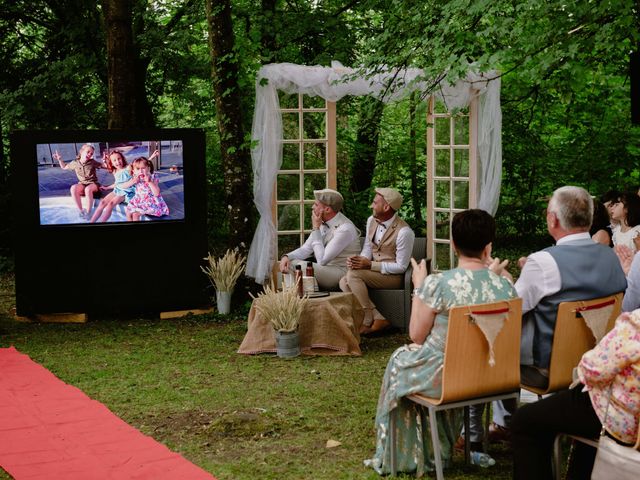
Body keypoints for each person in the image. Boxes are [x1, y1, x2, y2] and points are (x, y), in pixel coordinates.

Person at [363, 209, 516, 476]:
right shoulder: (506, 285)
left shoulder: (438, 283)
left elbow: (417, 335)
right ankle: (444, 444)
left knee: (399, 358)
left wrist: (420, 288)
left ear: (454, 244)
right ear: (489, 246)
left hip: (449, 378)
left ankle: (409, 452)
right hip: (494, 376)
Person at [489, 186, 627, 437]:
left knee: (497, 343)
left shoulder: (543, 262)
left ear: (552, 219)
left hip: (547, 368)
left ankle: (503, 423)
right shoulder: (611, 257)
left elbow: (510, 309)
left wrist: (504, 281)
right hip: (598, 361)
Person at [512, 308, 640, 480]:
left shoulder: (635, 324)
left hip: (621, 420)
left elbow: (593, 371)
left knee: (525, 420)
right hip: (623, 417)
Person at [339, 187, 415, 334]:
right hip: (374, 272)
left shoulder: (405, 232)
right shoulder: (371, 221)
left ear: (386, 207)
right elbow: (368, 248)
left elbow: (401, 266)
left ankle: (367, 318)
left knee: (353, 276)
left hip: (394, 277)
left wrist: (369, 265)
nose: (371, 206)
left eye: (375, 203)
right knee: (344, 280)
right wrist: (358, 261)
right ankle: (378, 317)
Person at [279, 189, 360, 291]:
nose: (312, 207)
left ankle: (304, 296)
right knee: (290, 262)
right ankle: (292, 298)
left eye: (316, 205)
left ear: (327, 210)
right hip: (327, 270)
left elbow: (322, 260)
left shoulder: (345, 228)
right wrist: (287, 256)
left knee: (300, 265)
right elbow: (306, 249)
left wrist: (316, 229)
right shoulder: (323, 222)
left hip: (343, 273)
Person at [53, 143, 105, 218]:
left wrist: (105, 161)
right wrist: (60, 159)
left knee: (88, 189)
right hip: (82, 184)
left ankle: (88, 212)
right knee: (73, 188)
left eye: (91, 153)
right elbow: (64, 167)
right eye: (88, 152)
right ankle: (81, 210)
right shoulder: (75, 163)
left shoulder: (92, 162)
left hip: (93, 185)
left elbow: (104, 166)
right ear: (82, 152)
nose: (90, 154)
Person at [89, 150, 135, 223]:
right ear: (112, 163)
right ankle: (91, 222)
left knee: (110, 204)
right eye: (114, 160)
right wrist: (107, 187)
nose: (117, 161)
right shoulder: (115, 171)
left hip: (126, 191)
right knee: (102, 202)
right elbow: (117, 183)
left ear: (122, 159)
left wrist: (152, 157)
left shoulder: (128, 167)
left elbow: (140, 164)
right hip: (118, 189)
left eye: (119, 158)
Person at [124, 156, 169, 221]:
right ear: (134, 171)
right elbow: (125, 186)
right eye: (138, 169)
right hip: (138, 200)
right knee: (128, 212)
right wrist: (133, 181)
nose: (141, 171)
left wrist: (149, 182)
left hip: (150, 201)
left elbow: (157, 193)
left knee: (135, 214)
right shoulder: (135, 177)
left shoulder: (153, 176)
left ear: (148, 168)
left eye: (143, 168)